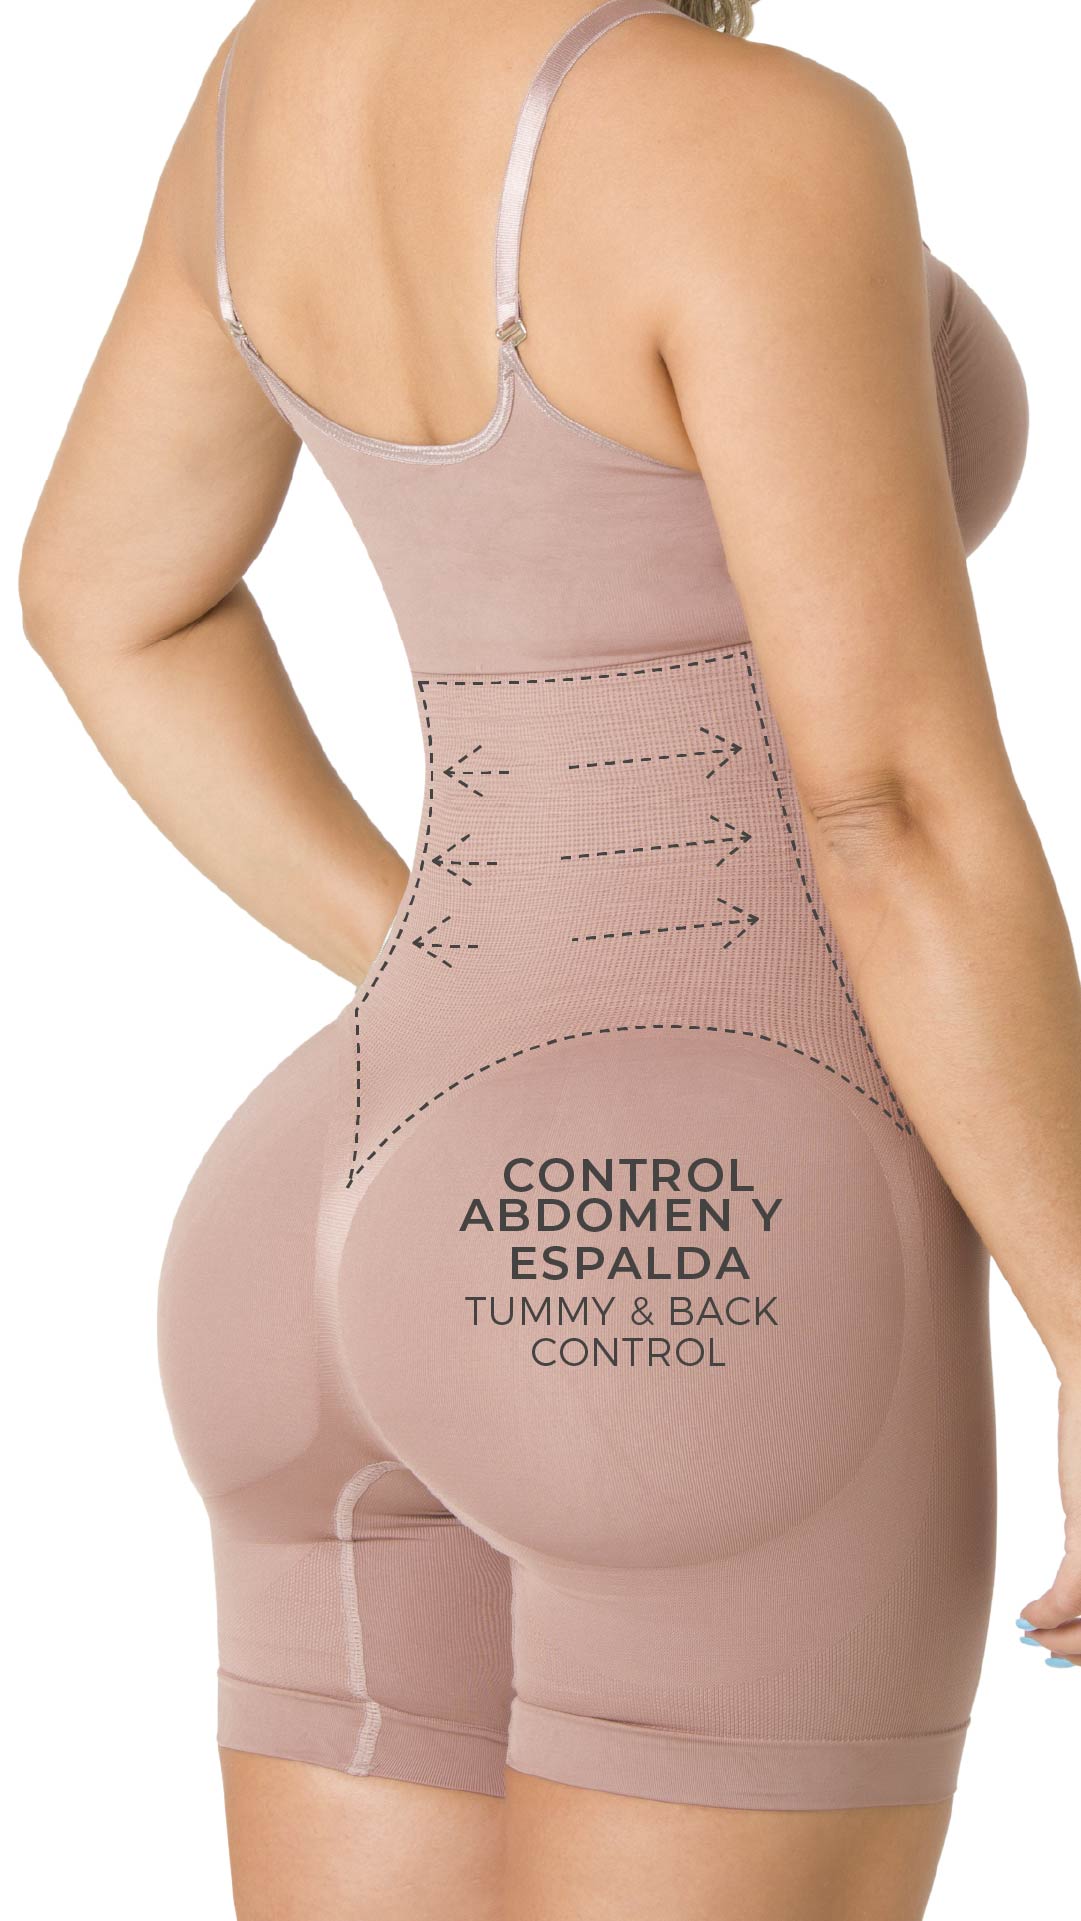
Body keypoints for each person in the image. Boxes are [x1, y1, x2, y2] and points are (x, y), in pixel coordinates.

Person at [19, 1, 1078, 1916]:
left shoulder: (267, 83)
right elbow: (888, 807)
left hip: (330, 1192)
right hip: (709, 1239)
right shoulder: (751, 133)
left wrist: (461, 982)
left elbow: (103, 599)